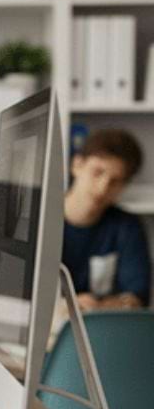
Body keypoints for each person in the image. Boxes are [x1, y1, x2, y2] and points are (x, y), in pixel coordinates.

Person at [63, 128, 150, 310]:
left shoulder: (127, 227)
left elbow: (137, 298)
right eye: (97, 172)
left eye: (115, 181)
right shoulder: (40, 220)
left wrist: (97, 306)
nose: (103, 188)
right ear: (77, 164)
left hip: (101, 326)